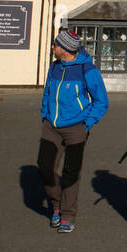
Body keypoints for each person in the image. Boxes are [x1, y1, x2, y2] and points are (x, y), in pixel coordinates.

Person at [38, 28, 108, 233]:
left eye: (55, 45)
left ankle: (67, 215)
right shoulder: (54, 67)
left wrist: (86, 124)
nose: (53, 47)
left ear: (65, 49)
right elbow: (47, 93)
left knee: (71, 172)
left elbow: (101, 101)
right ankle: (57, 204)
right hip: (51, 127)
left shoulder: (88, 70)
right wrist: (45, 115)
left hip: (76, 128)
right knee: (45, 167)